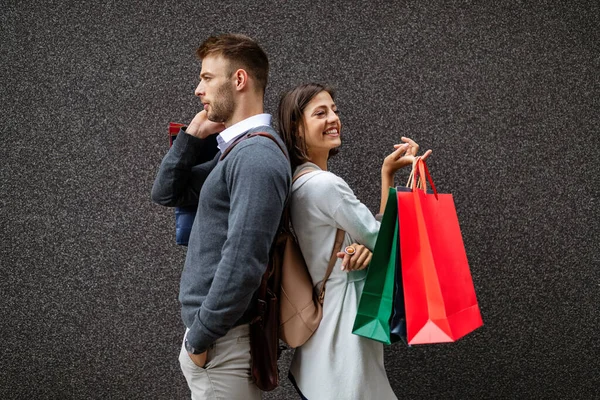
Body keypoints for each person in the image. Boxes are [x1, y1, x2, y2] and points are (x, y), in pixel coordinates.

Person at [151, 34, 291, 400]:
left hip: (221, 345)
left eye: (207, 78)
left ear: (239, 80)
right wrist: (193, 135)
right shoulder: (237, 153)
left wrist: (199, 339)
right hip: (217, 343)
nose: (199, 89)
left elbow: (244, 260)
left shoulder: (256, 157)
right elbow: (166, 192)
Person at [277, 83, 431, 400]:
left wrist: (387, 177)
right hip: (343, 347)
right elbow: (392, 243)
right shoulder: (326, 186)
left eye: (335, 110)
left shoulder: (299, 184)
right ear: (296, 127)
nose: (333, 118)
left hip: (324, 342)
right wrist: (415, 181)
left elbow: (374, 241)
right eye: (320, 113)